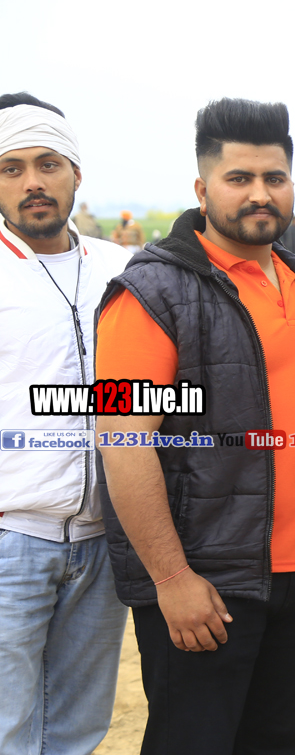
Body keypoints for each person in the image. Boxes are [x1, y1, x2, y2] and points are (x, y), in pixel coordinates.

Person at [95, 97, 295, 755]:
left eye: (275, 177)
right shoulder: (149, 293)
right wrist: (171, 580)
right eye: (239, 178)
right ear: (202, 188)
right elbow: (122, 444)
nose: (260, 193)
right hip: (205, 585)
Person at [0, 92, 131, 755]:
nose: (32, 182)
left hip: (105, 543)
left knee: (79, 731)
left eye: (47, 164)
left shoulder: (124, 269)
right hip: (12, 540)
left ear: (75, 173)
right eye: (12, 168)